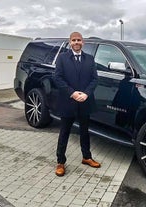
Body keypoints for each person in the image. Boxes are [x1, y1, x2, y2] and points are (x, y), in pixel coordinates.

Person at [54, 32, 100, 177]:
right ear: (69, 42)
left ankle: (86, 157)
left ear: (83, 42)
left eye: (78, 40)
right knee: (64, 133)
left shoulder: (90, 59)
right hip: (68, 101)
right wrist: (72, 93)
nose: (76, 42)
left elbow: (94, 79)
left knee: (85, 132)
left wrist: (86, 94)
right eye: (73, 40)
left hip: (85, 101)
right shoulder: (62, 58)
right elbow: (57, 78)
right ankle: (60, 162)